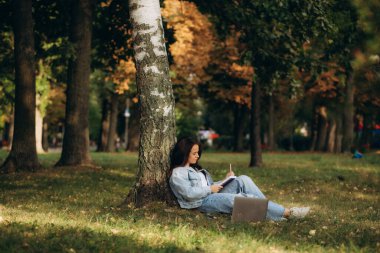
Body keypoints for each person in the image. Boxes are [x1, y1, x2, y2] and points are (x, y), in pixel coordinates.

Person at [169, 137, 310, 221]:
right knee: (238, 198)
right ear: (184, 153)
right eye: (194, 153)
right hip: (200, 202)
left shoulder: (196, 169)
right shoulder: (178, 173)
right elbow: (188, 194)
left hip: (210, 194)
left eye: (198, 152)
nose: (197, 156)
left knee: (243, 179)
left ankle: (271, 212)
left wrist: (224, 180)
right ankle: (287, 213)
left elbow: (210, 186)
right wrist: (210, 189)